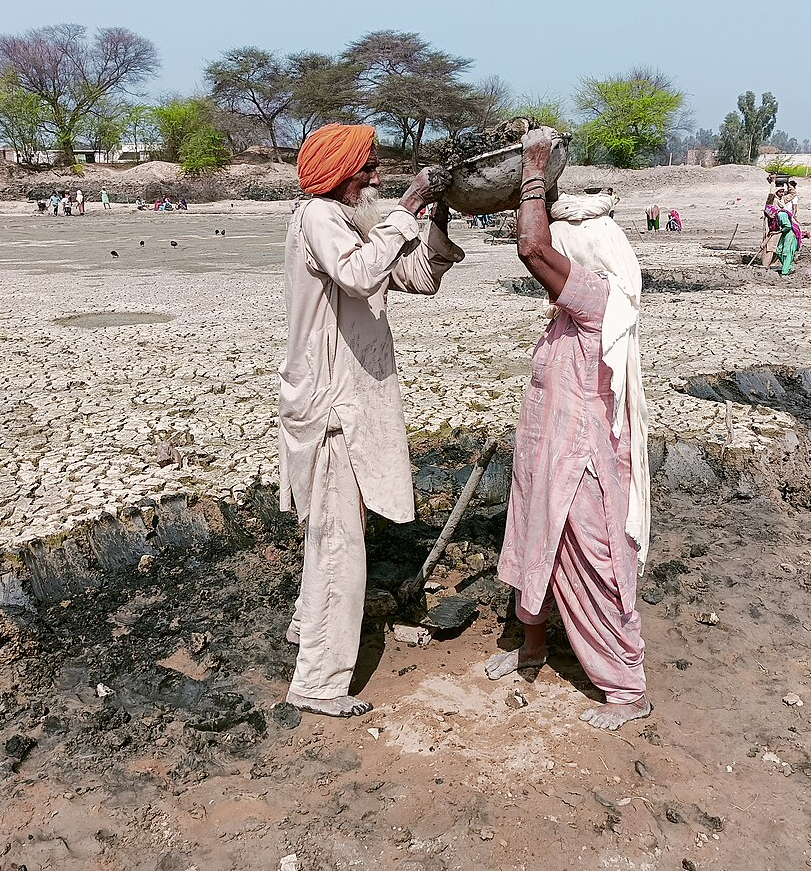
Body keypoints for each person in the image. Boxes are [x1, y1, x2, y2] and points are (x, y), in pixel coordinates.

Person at [278, 122, 464, 718]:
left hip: (352, 400)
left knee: (334, 528)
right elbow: (359, 274)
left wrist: (433, 216)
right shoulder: (318, 218)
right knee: (339, 541)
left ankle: (308, 628)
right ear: (340, 175)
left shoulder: (356, 223)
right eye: (368, 170)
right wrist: (406, 208)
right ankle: (318, 682)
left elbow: (415, 279)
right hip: (332, 406)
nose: (377, 178)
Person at [485, 129, 652, 731]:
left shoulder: (598, 296)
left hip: (580, 453)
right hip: (547, 444)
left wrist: (532, 169)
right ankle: (533, 646)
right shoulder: (573, 307)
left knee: (593, 560)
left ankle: (626, 687)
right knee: (535, 538)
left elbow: (530, 247)